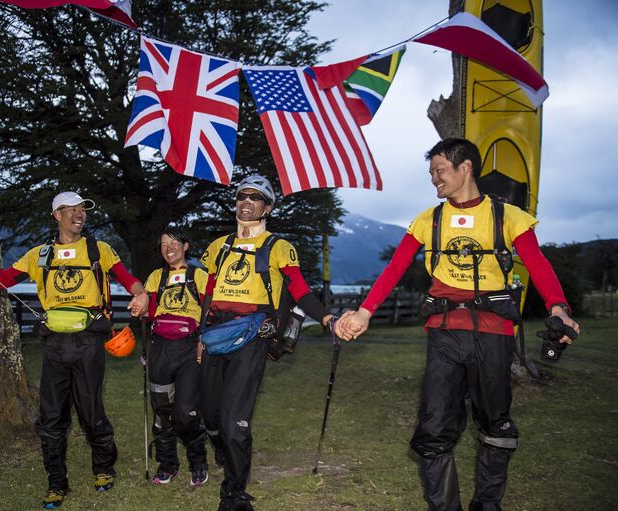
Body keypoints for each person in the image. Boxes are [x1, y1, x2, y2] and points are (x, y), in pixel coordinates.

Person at [336, 138, 580, 511]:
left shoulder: (508, 216)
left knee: (495, 425)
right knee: (434, 426)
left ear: (465, 167)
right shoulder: (427, 220)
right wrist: (366, 311)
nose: (434, 178)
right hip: (444, 332)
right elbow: (395, 268)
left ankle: (487, 504)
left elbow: (538, 264)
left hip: (493, 333)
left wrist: (559, 308)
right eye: (431, 171)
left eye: (439, 169)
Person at [0, 191, 149, 509]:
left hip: (89, 343)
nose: (78, 214)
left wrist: (141, 295)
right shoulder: (39, 254)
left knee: (90, 412)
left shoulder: (98, 250)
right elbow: (3, 280)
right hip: (55, 346)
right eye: (70, 209)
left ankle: (103, 467)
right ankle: (56, 483)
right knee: (51, 418)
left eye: (82, 210)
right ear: (56, 215)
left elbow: (129, 280)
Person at [198, 175, 335, 511]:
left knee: (234, 421)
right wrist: (199, 337)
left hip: (251, 337)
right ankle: (224, 449)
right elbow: (206, 294)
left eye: (256, 197)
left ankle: (234, 492)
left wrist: (328, 317)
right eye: (242, 196)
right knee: (211, 416)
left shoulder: (279, 247)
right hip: (215, 333)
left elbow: (300, 290)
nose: (247, 202)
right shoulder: (218, 247)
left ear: (267, 207)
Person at [143, 226, 209, 486]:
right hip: (160, 349)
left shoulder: (199, 276)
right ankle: (168, 464)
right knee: (162, 412)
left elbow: (209, 312)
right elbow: (147, 311)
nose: (168, 248)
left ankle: (198, 462)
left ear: (186, 246)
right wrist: (139, 306)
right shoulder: (155, 277)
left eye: (173, 243)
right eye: (163, 244)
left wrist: (204, 340)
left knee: (186, 411)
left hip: (189, 349)